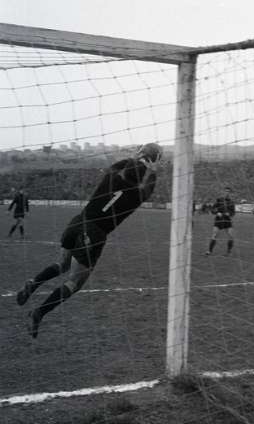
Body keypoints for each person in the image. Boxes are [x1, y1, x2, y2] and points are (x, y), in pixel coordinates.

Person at [16, 142, 162, 338]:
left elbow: (117, 166)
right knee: (75, 282)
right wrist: (153, 172)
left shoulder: (110, 176)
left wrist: (135, 157)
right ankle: (38, 313)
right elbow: (148, 189)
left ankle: (33, 283)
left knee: (62, 264)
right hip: (94, 234)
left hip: (78, 222)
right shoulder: (137, 196)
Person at [204, 187, 235, 256]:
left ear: (230, 193)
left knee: (231, 236)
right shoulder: (218, 200)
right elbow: (212, 209)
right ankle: (209, 251)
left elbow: (233, 213)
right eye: (225, 191)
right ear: (223, 192)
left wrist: (229, 214)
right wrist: (217, 213)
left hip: (227, 220)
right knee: (214, 235)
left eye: (228, 192)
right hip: (219, 220)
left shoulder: (231, 202)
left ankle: (228, 252)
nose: (226, 193)